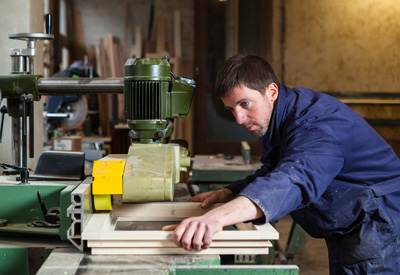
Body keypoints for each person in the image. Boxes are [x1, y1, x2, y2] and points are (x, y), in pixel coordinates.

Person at [172, 53, 400, 274]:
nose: (239, 119)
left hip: (379, 221)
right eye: (232, 109)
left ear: (271, 91)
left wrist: (217, 218)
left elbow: (293, 180)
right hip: (353, 221)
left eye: (245, 104)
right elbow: (275, 172)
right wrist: (230, 193)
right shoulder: (283, 116)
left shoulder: (314, 127)